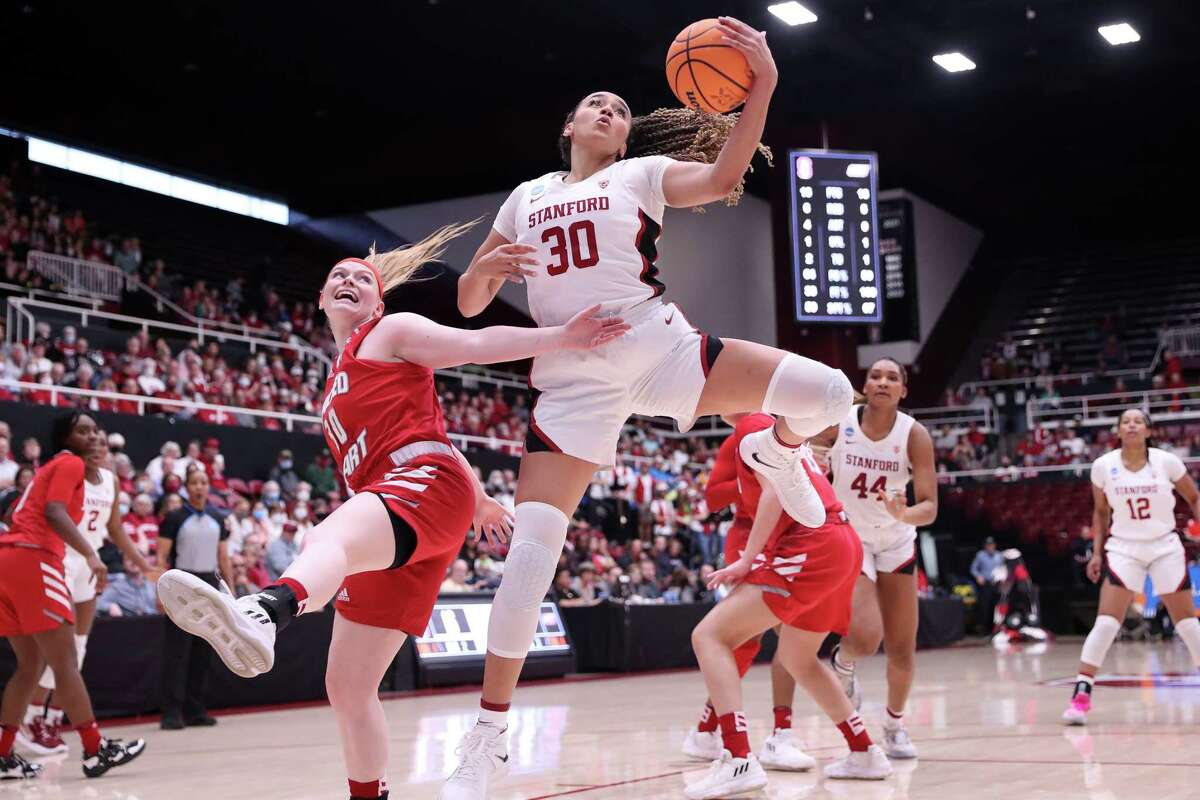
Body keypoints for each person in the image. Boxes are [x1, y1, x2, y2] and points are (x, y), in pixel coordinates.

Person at [444, 20, 855, 797]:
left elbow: (727, 174)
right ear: (568, 125)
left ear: (628, 133)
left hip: (659, 352)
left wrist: (761, 86)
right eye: (593, 104)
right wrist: (487, 269)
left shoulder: (639, 177)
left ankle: (779, 447)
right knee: (529, 562)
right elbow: (469, 304)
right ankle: (488, 735)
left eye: (620, 108)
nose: (606, 111)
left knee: (831, 393)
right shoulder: (526, 196)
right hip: (570, 381)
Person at [155, 231, 628, 800]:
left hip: (417, 489)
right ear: (323, 300)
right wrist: (477, 498)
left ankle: (264, 611)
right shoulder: (333, 382)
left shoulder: (389, 331)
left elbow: (473, 345)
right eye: (339, 276)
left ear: (378, 304)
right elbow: (436, 432)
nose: (349, 280)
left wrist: (563, 338)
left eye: (363, 278)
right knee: (348, 687)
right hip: (413, 506)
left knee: (333, 531)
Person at [686, 414, 890, 799]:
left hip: (810, 544)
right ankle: (864, 751)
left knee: (710, 636)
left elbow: (774, 491)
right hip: (841, 539)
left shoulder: (751, 424)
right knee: (799, 658)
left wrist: (747, 558)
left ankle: (737, 757)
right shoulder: (780, 428)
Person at [0, 410, 145, 780]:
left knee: (31, 665)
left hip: (10, 559)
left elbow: (21, 510)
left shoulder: (62, 470)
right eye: (83, 432)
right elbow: (52, 511)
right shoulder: (70, 464)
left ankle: (3, 753)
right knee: (66, 661)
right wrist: (93, 556)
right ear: (66, 440)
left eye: (96, 430)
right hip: (36, 558)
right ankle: (95, 749)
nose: (93, 437)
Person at [811, 357, 937, 759]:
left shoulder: (914, 435)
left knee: (902, 647)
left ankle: (895, 725)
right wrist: (816, 460)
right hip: (852, 537)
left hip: (896, 541)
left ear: (904, 389)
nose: (883, 381)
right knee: (865, 638)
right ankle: (843, 663)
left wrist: (904, 513)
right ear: (865, 384)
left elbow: (930, 507)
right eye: (876, 376)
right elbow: (803, 452)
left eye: (892, 377)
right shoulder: (840, 420)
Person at [683, 414, 813, 773]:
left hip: (785, 537)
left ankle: (711, 730)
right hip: (748, 538)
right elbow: (711, 497)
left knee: (767, 638)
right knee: (759, 638)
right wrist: (751, 480)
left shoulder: (792, 433)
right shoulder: (741, 436)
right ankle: (775, 733)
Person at [1063, 408, 1200, 725]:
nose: (1132, 425)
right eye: (1126, 421)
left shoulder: (1166, 462)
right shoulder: (1103, 466)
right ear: (1118, 430)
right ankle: (1081, 695)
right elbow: (1100, 513)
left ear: (1148, 431)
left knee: (1187, 625)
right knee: (1107, 623)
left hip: (1164, 545)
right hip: (1123, 548)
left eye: (1139, 421)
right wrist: (1097, 553)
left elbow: (1193, 497)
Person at [156, 468, 233, 730]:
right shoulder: (174, 517)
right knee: (177, 652)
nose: (199, 487)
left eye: (203, 482)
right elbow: (160, 558)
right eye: (194, 483)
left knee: (203, 650)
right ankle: (171, 713)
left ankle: (196, 710)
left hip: (209, 586)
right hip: (181, 585)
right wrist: (160, 591)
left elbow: (223, 558)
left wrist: (230, 592)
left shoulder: (217, 517)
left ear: (208, 486)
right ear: (187, 487)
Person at [970, 537, 1005, 633]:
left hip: (997, 584)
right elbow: (973, 568)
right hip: (986, 584)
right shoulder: (980, 555)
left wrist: (1002, 577)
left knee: (997, 606)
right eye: (988, 545)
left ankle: (996, 628)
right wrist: (978, 576)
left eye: (992, 545)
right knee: (984, 606)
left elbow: (1003, 568)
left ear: (995, 545)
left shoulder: (999, 556)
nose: (990, 547)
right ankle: (983, 628)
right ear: (985, 546)